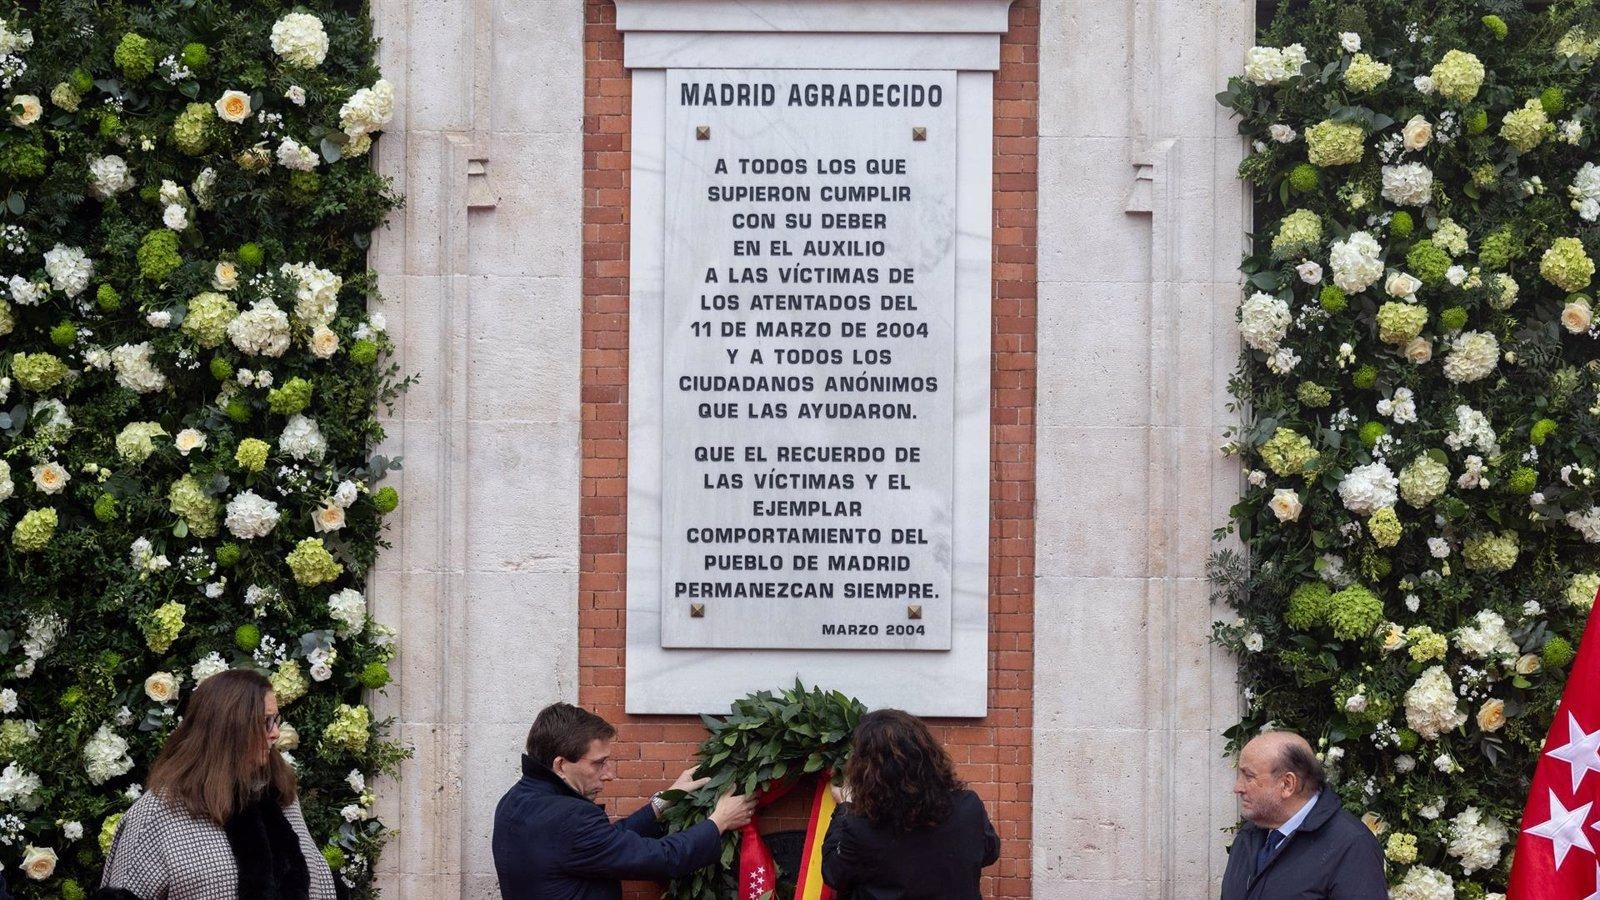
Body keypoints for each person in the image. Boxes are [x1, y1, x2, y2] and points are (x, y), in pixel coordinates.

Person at [97, 669, 339, 900]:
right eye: (265, 722)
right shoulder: (159, 813)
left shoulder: (280, 799)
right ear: (230, 728)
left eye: (275, 720)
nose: (275, 733)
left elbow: (321, 886)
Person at [492, 701, 757, 899]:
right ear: (561, 764)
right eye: (599, 763)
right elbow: (662, 859)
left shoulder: (515, 800)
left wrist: (664, 801)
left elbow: (603, 843)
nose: (609, 775)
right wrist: (718, 821)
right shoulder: (571, 818)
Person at [820, 709, 999, 899]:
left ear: (867, 771)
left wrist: (844, 808)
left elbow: (833, 873)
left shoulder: (860, 828)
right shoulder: (968, 807)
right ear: (929, 754)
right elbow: (990, 852)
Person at [1220, 730, 1386, 900]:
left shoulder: (1351, 845)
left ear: (1287, 784)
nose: (1238, 787)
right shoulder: (1250, 835)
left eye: (1249, 776)